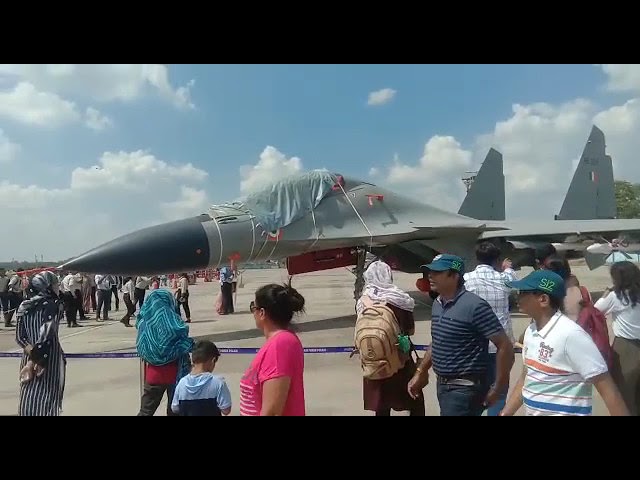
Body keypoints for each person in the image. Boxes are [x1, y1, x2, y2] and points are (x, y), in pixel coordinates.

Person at [500, 270, 629, 416]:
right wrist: (505, 413)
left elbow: (607, 389)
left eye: (523, 292)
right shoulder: (531, 331)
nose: (517, 297)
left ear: (543, 299)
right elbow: (527, 376)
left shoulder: (571, 336)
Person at [408, 254, 514, 416]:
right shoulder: (438, 304)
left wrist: (498, 386)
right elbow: (437, 341)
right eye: (430, 272)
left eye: (437, 272)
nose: (430, 276)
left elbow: (504, 345)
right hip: (444, 386)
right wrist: (421, 371)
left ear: (454, 276)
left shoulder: (474, 306)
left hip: (465, 390)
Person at [356, 260, 425, 416]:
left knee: (381, 407)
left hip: (374, 362)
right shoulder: (400, 299)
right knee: (415, 401)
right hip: (400, 361)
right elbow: (410, 330)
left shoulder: (363, 302)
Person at [463, 242, 517, 416]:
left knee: (474, 388)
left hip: (474, 346)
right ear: (497, 260)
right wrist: (507, 267)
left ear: (477, 258)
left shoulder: (466, 279)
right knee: (499, 390)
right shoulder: (504, 278)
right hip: (501, 346)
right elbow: (512, 279)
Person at [240, 282, 306, 416]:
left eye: (254, 307)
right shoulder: (280, 342)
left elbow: (272, 412)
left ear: (262, 312)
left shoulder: (279, 346)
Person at [14, 271, 66, 416]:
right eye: (55, 284)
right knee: (48, 398)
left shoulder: (24, 306)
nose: (57, 287)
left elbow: (20, 337)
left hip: (28, 357)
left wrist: (30, 359)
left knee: (29, 396)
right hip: (48, 359)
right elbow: (46, 336)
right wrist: (38, 361)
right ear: (46, 287)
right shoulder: (53, 306)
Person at [136, 289, 194, 416]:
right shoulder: (176, 323)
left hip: (153, 375)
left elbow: (141, 348)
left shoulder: (143, 324)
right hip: (175, 374)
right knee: (174, 411)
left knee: (145, 411)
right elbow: (186, 343)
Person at [594, 261, 640, 415]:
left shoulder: (616, 296)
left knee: (623, 392)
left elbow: (596, 311)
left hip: (626, 348)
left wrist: (605, 293)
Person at [171, 340, 232, 416]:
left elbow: (175, 408)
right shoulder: (218, 383)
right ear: (213, 360)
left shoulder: (182, 383)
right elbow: (226, 410)